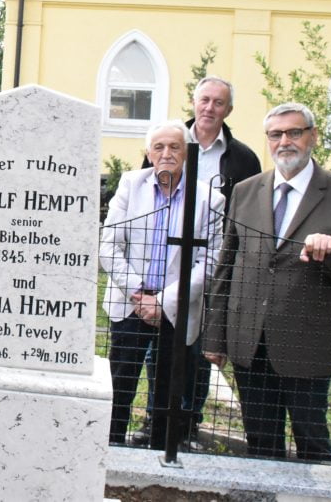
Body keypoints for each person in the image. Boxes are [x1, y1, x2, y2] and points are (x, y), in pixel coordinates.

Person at [204, 102, 331, 462]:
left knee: (312, 441)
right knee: (261, 442)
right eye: (276, 134)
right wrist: (215, 337)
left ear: (313, 136)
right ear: (268, 140)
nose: (285, 141)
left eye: (294, 132)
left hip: (306, 345)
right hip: (249, 342)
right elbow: (226, 266)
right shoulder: (246, 191)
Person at [134, 76, 261, 446]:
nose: (209, 108)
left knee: (196, 351)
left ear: (228, 110)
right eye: (204, 100)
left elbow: (247, 212)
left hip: (210, 267)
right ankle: (156, 420)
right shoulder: (170, 140)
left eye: (218, 103)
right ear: (194, 103)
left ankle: (188, 422)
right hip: (164, 263)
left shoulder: (241, 158)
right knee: (160, 351)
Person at [100, 120, 224, 448]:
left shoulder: (210, 199)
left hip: (177, 307)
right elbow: (109, 246)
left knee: (170, 388)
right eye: (159, 147)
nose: (166, 153)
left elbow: (209, 261)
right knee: (120, 382)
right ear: (148, 153)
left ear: (187, 152)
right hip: (130, 303)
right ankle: (110, 448)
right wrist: (139, 293)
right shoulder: (130, 185)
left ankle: (159, 451)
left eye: (174, 147)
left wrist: (164, 301)